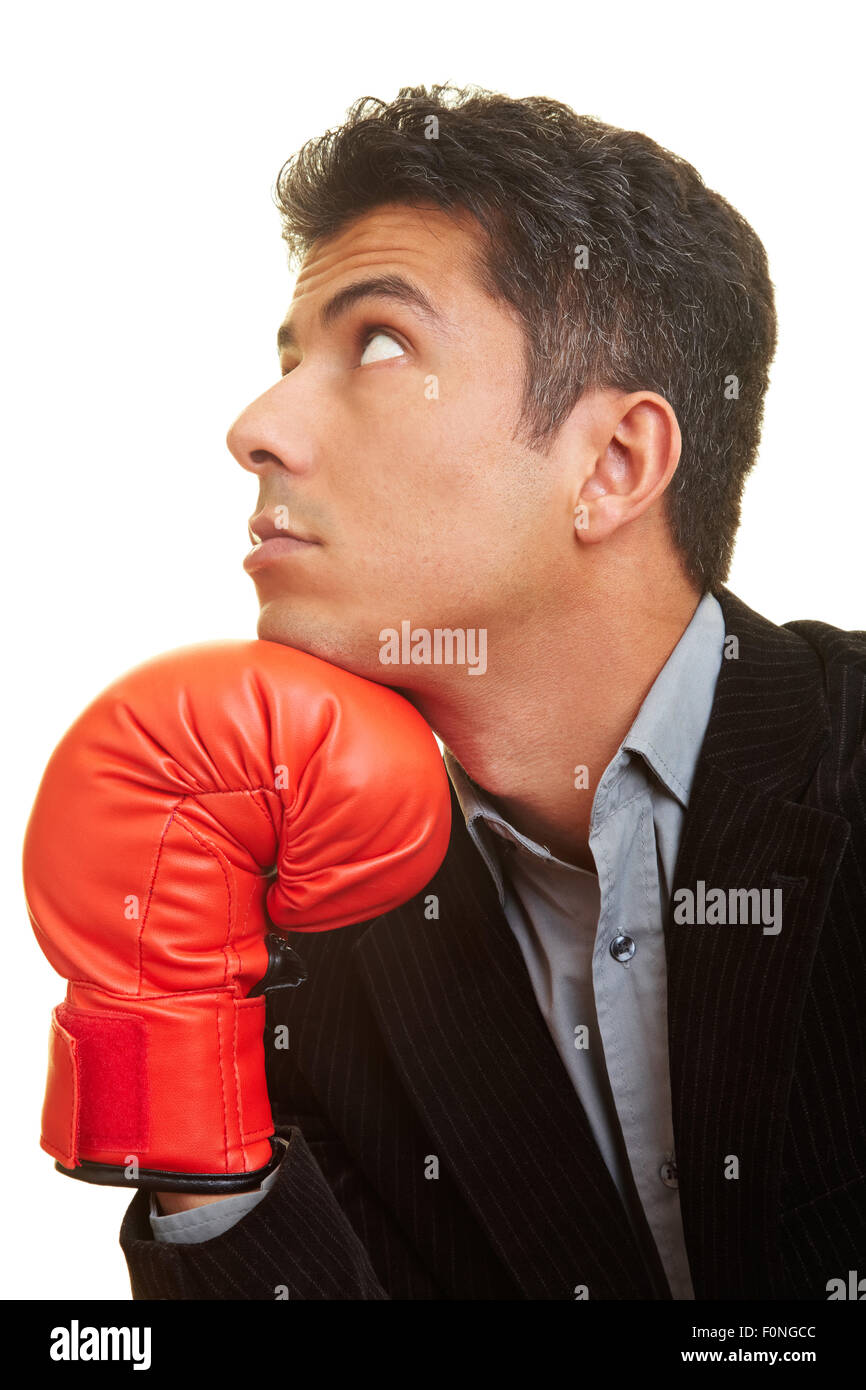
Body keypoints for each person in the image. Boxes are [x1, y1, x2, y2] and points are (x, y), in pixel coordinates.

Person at [67, 84, 866, 1298]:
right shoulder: (298, 953)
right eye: (285, 361)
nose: (256, 426)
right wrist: (180, 1077)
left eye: (377, 344)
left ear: (611, 463)